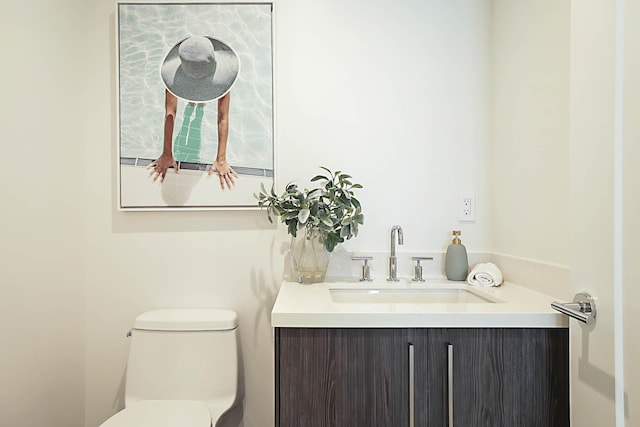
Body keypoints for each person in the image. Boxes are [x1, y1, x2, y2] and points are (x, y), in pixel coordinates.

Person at [148, 35, 240, 190]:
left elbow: (223, 117)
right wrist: (166, 153)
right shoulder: (176, 79)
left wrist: (221, 159)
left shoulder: (221, 81)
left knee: (200, 102)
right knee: (193, 99)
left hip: (198, 76)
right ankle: (195, 100)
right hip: (189, 77)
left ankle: (199, 102)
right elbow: (170, 113)